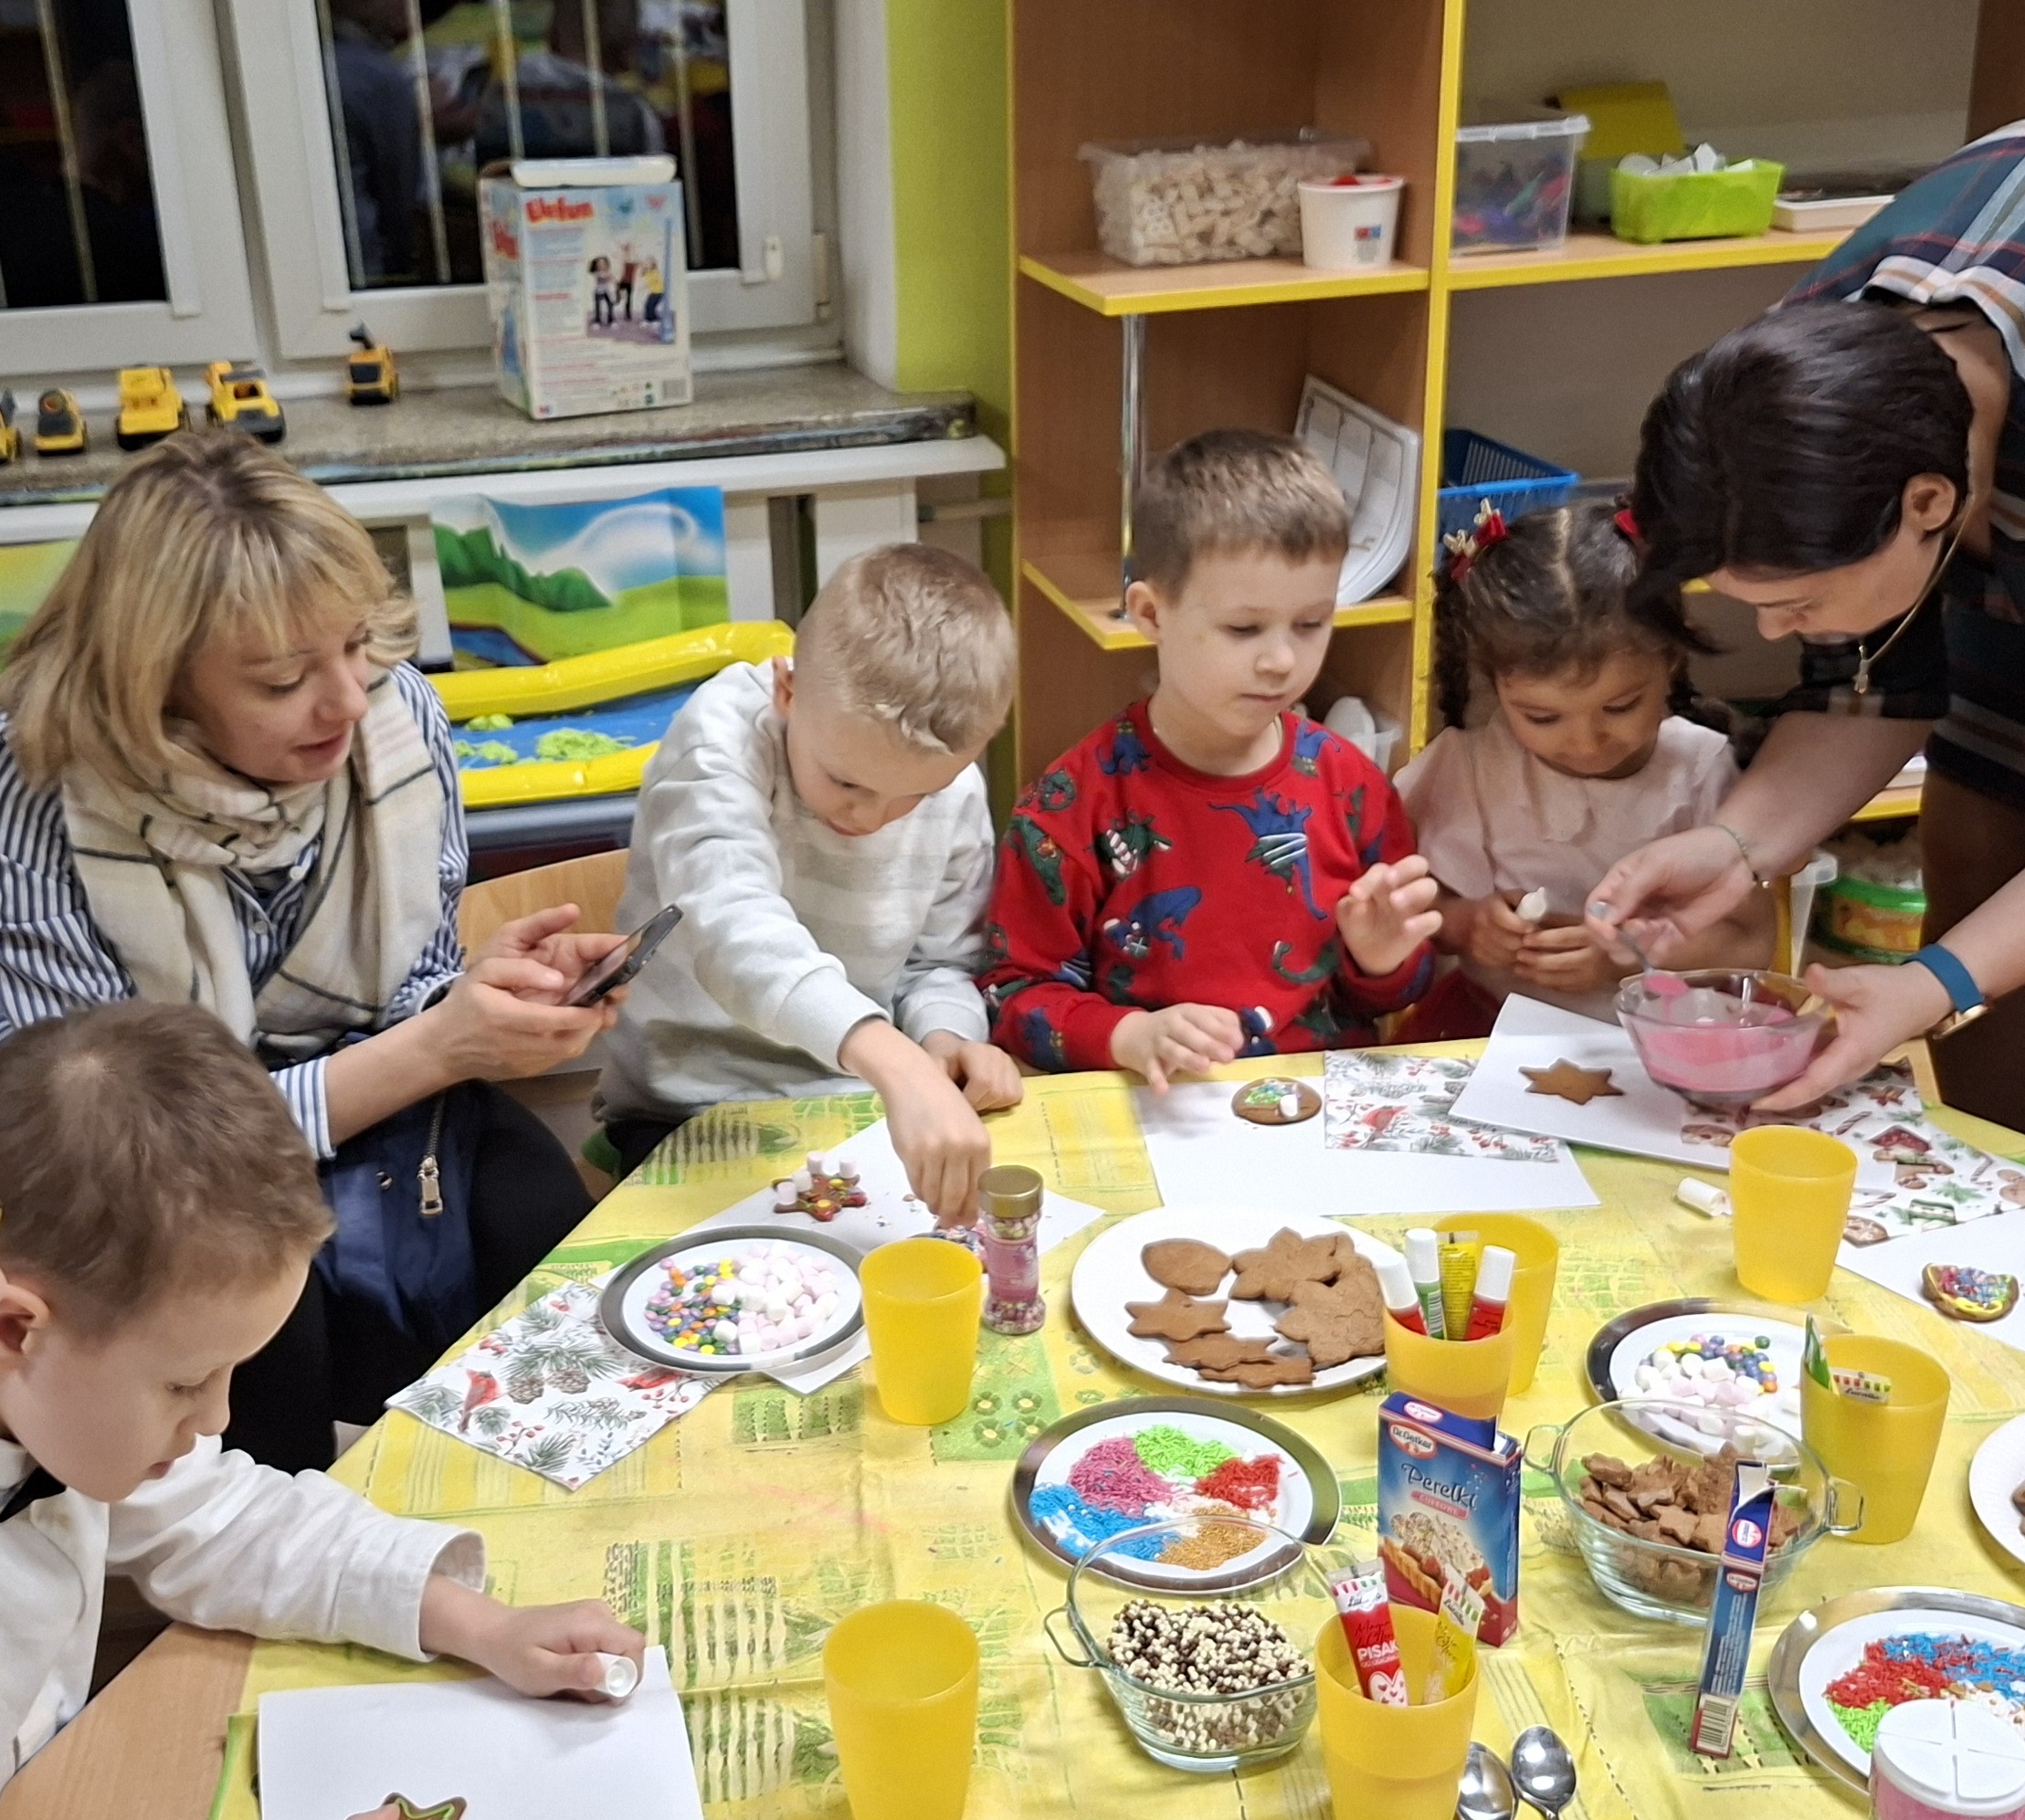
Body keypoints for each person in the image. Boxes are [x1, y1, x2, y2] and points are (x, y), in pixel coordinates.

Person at [0, 434, 626, 1472]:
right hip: (151, 1174)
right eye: (285, 678)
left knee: (544, 1227)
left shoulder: (394, 716)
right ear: (159, 688)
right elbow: (98, 1146)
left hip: (390, 1113)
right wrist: (440, 1046)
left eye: (356, 644)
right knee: (258, 1331)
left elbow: (410, 986)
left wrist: (477, 996)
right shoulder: (37, 798)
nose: (347, 700)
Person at [0, 1001, 644, 1793]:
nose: (217, 1419)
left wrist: (487, 1626)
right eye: (183, 1382)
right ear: (14, 1327)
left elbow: (226, 1523)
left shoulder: (54, 1399)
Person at [1587, 132, 2025, 1126]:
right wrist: (1735, 844)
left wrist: (1933, 984)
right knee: (1980, 831)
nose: (1778, 632)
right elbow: (1867, 680)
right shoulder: (1790, 390)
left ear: (1929, 501)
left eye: (1797, 603)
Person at [980, 428, 1438, 1088]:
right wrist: (1127, 1035)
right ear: (1150, 614)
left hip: (1316, 1113)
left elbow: (1395, 990)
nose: (1280, 659)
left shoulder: (1353, 787)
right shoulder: (1070, 808)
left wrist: (1381, 960)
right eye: (1243, 628)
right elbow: (1013, 996)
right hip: (1159, 1112)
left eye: (1311, 624)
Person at [596, 543, 1023, 1218]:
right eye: (846, 782)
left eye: (914, 796)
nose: (869, 816)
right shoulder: (719, 739)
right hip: (688, 1103)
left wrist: (944, 1040)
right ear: (787, 690)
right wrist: (898, 1063)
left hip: (858, 1096)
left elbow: (938, 963)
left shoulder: (952, 785)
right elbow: (733, 928)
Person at [1395, 500, 1774, 1036]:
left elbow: (1751, 940)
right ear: (1495, 682)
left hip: (1649, 1036)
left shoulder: (1700, 771)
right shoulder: (1471, 764)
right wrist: (1470, 925)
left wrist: (1625, 955)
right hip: (1490, 1023)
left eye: (1620, 707)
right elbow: (1416, 902)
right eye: (1543, 717)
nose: (1586, 742)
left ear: (1671, 660)